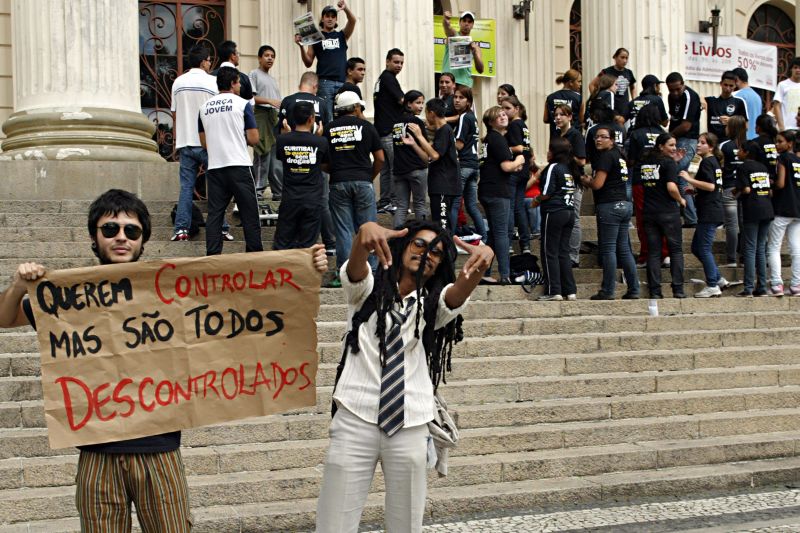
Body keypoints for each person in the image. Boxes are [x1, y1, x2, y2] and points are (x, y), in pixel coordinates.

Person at [0, 190, 190, 532]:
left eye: (131, 231)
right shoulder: (69, 297)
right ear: (94, 236)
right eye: (110, 229)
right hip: (97, 451)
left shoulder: (169, 292)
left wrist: (306, 270)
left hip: (159, 450)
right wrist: (17, 286)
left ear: (143, 238)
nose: (121, 237)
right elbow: (5, 317)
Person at [315, 219, 493, 533]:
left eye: (437, 252)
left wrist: (480, 262)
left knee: (406, 525)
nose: (428, 254)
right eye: (420, 244)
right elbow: (356, 269)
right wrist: (362, 235)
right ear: (402, 246)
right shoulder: (366, 291)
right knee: (334, 524)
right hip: (356, 419)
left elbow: (457, 293)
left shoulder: (431, 306)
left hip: (411, 424)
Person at [170, 45, 233, 242]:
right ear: (203, 61)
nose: (209, 63)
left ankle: (181, 230)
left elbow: (174, 114)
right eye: (208, 60)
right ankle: (221, 228)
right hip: (208, 143)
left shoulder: (178, 83)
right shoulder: (212, 82)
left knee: (186, 188)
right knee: (216, 187)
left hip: (185, 142)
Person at [199, 66, 263, 255]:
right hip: (239, 165)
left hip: (216, 166)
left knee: (215, 215)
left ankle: (212, 256)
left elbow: (204, 143)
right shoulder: (242, 104)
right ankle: (254, 254)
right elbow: (253, 138)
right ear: (234, 83)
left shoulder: (204, 108)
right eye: (238, 83)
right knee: (249, 213)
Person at [324, 91, 384, 273]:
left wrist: (336, 171)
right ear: (356, 107)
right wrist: (369, 176)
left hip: (338, 182)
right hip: (363, 181)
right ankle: (371, 271)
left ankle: (345, 271)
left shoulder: (328, 129)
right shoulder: (367, 127)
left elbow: (323, 162)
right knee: (368, 229)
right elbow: (380, 158)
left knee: (343, 230)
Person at [280, 71, 336, 254]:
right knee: (320, 207)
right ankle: (330, 242)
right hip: (313, 187)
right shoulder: (321, 104)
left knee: (284, 239)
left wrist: (289, 138)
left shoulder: (287, 102)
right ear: (315, 86)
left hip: (290, 190)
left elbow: (280, 147)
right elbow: (327, 133)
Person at [581, 126, 639, 300]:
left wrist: (585, 180)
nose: (598, 140)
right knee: (624, 250)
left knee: (608, 249)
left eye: (603, 137)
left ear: (612, 140)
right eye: (596, 137)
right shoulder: (619, 155)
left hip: (610, 205)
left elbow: (598, 184)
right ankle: (634, 289)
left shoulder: (605, 157)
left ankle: (608, 290)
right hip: (625, 205)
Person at [273, 101, 330, 250]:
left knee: (283, 244)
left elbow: (281, 156)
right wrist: (318, 138)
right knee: (308, 246)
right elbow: (325, 164)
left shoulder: (282, 140)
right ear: (311, 119)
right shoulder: (321, 142)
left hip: (289, 198)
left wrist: (286, 135)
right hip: (312, 199)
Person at [478, 106, 525, 284]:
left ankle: (485, 271)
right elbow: (506, 167)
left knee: (493, 234)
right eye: (498, 116)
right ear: (491, 122)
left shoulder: (489, 140)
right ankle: (505, 275)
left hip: (487, 189)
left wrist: (513, 164)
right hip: (498, 192)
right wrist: (519, 160)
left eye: (504, 114)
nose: (503, 117)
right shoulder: (497, 139)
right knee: (502, 233)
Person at [639, 133, 687, 298]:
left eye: (675, 145)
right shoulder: (668, 163)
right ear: (660, 146)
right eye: (671, 145)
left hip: (649, 212)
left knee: (653, 252)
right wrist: (681, 200)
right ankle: (678, 289)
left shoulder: (646, 163)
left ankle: (655, 291)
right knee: (676, 251)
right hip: (668, 211)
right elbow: (671, 187)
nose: (674, 149)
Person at [533, 136, 578, 301]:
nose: (547, 152)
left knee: (548, 251)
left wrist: (536, 201)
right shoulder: (569, 168)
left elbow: (546, 192)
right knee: (563, 252)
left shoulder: (553, 167)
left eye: (549, 149)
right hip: (569, 212)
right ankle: (570, 290)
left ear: (555, 152)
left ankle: (554, 290)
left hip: (554, 212)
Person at [680, 132, 725, 297]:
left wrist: (689, 180)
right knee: (696, 247)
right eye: (698, 142)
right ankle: (718, 278)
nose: (698, 145)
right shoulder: (713, 162)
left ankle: (712, 284)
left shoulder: (707, 162)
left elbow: (711, 186)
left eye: (703, 143)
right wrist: (695, 190)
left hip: (709, 211)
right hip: (711, 209)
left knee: (703, 248)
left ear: (711, 147)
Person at [295, 1, 357, 120]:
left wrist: (345, 9)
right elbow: (308, 62)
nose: (330, 19)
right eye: (327, 16)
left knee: (343, 115)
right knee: (327, 117)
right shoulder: (315, 37)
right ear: (322, 19)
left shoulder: (341, 35)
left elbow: (353, 21)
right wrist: (301, 46)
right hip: (324, 83)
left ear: (336, 20)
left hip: (341, 81)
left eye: (333, 16)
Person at [627, 104, 667, 266]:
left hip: (641, 180)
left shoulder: (636, 134)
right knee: (661, 218)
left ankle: (645, 255)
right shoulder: (662, 134)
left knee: (643, 220)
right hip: (661, 181)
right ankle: (665, 254)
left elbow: (631, 160)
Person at [734, 140, 774, 296]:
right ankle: (762, 286)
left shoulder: (743, 167)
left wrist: (736, 191)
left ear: (746, 152)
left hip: (752, 209)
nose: (738, 152)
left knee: (750, 248)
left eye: (740, 149)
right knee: (761, 249)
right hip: (767, 208)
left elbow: (746, 189)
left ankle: (748, 287)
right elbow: (769, 191)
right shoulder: (762, 167)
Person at [392, 90, 434, 228]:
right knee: (420, 203)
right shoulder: (416, 122)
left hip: (399, 169)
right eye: (417, 103)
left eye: (422, 103)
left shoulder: (396, 122)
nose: (421, 106)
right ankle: (421, 234)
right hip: (416, 168)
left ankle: (397, 236)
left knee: (401, 206)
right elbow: (425, 145)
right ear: (408, 104)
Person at [666, 71, 702, 227]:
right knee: (678, 177)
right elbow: (673, 118)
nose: (674, 93)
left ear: (683, 84)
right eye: (671, 90)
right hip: (676, 139)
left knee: (678, 175)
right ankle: (689, 216)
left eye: (677, 89)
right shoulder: (671, 97)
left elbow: (686, 126)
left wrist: (669, 136)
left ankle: (690, 216)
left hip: (686, 140)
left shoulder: (689, 96)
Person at [453, 85, 487, 242]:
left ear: (469, 102)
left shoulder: (463, 118)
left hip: (464, 165)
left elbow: (459, 145)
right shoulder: (473, 118)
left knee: (454, 205)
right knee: (472, 206)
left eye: (461, 98)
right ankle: (484, 238)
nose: (457, 100)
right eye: (455, 97)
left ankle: (451, 240)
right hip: (474, 167)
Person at [768, 129, 800, 296]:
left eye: (780, 141)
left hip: (782, 208)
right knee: (796, 248)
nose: (776, 145)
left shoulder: (783, 159)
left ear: (790, 143)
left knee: (774, 247)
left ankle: (776, 283)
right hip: (797, 209)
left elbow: (780, 183)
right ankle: (796, 284)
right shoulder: (798, 160)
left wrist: (771, 186)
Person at [374, 48, 406, 214]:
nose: (399, 65)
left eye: (401, 62)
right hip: (389, 131)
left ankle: (385, 201)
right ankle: (394, 202)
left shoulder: (382, 78)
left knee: (386, 169)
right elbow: (402, 100)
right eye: (396, 62)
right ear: (387, 61)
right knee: (395, 167)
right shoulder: (389, 78)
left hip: (381, 130)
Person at [249, 44, 283, 200]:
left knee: (275, 156)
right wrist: (269, 101)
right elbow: (250, 97)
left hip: (273, 117)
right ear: (259, 58)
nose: (270, 58)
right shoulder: (254, 74)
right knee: (262, 153)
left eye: (272, 56)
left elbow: (278, 102)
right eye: (267, 55)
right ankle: (258, 190)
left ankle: (278, 192)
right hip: (260, 115)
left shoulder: (273, 80)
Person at [500, 95, 533, 254]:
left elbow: (519, 148)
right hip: (524, 170)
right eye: (502, 108)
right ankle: (525, 244)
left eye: (507, 108)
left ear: (517, 109)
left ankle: (509, 243)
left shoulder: (514, 125)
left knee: (511, 207)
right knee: (519, 207)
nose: (504, 112)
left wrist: (501, 147)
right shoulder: (523, 125)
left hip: (515, 169)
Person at [425, 98, 461, 232]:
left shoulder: (445, 130)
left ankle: (446, 252)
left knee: (442, 226)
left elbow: (434, 155)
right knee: (440, 224)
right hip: (441, 185)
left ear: (432, 113)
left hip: (443, 186)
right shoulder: (442, 131)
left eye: (426, 112)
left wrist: (419, 136)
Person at [719, 115, 747, 267]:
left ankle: (731, 258)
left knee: (731, 225)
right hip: (745, 188)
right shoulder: (749, 145)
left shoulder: (725, 145)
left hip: (729, 186)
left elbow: (720, 165)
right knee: (744, 223)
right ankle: (744, 257)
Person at [589, 48, 637, 121]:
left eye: (626, 58)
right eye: (622, 57)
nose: (625, 61)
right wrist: (598, 99)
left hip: (625, 109)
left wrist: (634, 101)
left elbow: (632, 88)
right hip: (610, 108)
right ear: (615, 57)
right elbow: (592, 85)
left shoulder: (629, 72)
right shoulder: (606, 71)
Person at [441, 10, 484, 88]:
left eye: (469, 21)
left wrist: (474, 53)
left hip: (464, 84)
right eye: (464, 21)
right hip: (448, 82)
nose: (466, 23)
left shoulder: (475, 47)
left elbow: (480, 70)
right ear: (459, 22)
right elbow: (447, 28)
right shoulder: (453, 36)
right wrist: (445, 20)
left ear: (472, 25)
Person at [705, 71, 748, 142]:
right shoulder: (711, 100)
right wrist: (702, 99)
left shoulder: (739, 102)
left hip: (730, 142)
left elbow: (745, 126)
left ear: (735, 86)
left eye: (731, 86)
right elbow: (697, 98)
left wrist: (732, 121)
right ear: (721, 84)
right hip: (713, 142)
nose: (728, 88)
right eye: (725, 85)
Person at [544, 69, 583, 137]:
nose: (580, 84)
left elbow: (545, 119)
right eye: (579, 81)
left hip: (555, 139)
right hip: (573, 138)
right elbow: (581, 120)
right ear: (571, 82)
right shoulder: (579, 98)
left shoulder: (550, 97)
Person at [732, 67, 763, 140]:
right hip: (756, 137)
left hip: (741, 139)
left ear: (736, 79)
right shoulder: (757, 96)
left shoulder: (735, 95)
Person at [772, 57, 800, 131]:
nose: (798, 70)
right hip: (787, 128)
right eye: (795, 67)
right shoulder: (783, 85)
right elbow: (776, 106)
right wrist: (781, 127)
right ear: (791, 69)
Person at [752, 114, 779, 183]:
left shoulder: (755, 143)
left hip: (759, 181)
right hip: (774, 180)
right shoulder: (776, 142)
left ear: (758, 127)